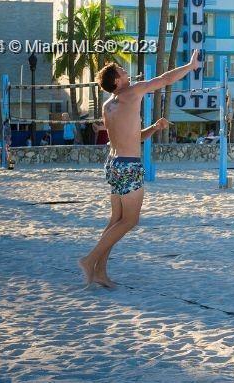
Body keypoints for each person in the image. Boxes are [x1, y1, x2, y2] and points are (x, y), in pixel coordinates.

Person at [78, 51, 196, 289]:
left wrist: (154, 128)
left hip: (114, 164)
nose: (126, 72)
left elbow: (132, 137)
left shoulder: (108, 105)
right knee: (130, 220)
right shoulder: (131, 92)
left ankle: (99, 271)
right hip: (129, 166)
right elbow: (165, 79)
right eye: (121, 71)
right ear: (116, 80)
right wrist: (190, 66)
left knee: (116, 221)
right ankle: (89, 260)